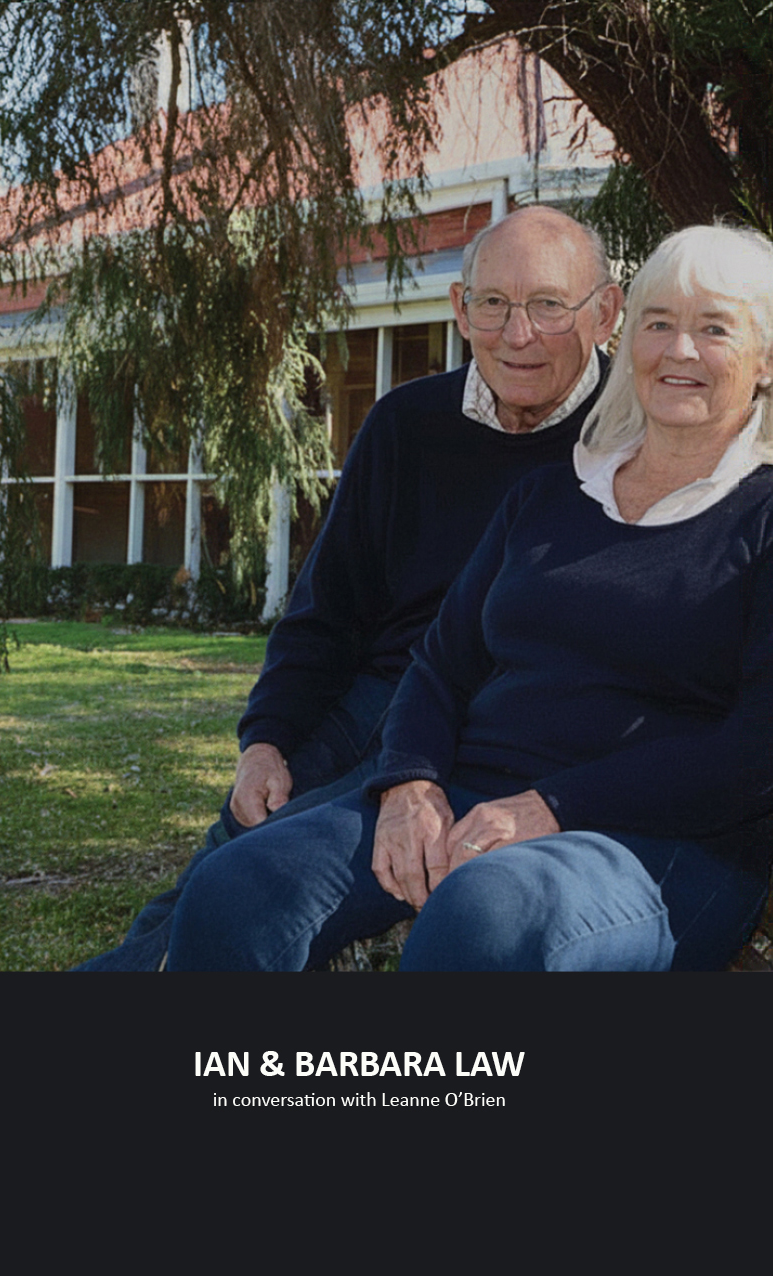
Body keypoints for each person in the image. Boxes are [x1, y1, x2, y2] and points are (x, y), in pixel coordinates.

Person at [164, 222, 773, 972]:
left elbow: (755, 749)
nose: (679, 350)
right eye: (659, 324)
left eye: (714, 329)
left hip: (659, 841)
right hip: (472, 792)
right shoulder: (548, 495)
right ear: (630, 337)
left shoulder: (761, 517)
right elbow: (438, 665)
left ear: (765, 359)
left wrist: (553, 807)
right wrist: (410, 781)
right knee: (237, 886)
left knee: (486, 914)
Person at [73, 204, 623, 970]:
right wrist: (266, 741)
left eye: (548, 305)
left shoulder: (635, 438)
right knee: (214, 869)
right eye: (493, 303)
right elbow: (324, 611)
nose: (517, 333)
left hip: (494, 722)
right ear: (460, 309)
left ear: (606, 312)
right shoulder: (406, 423)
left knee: (256, 879)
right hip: (369, 701)